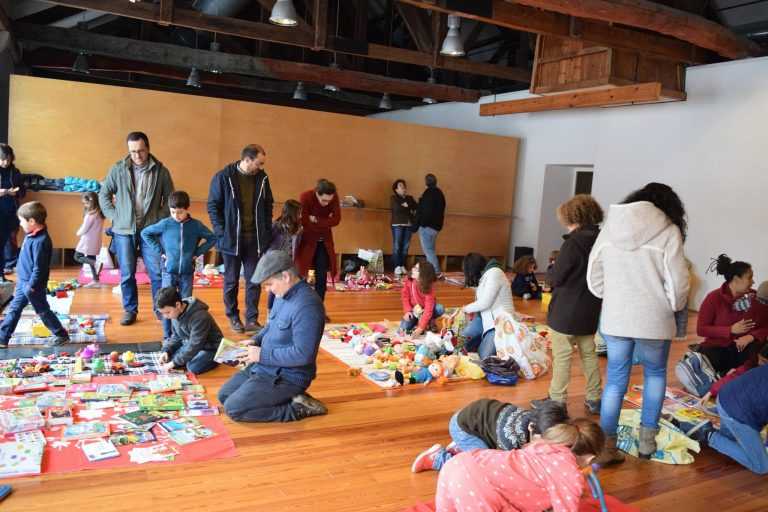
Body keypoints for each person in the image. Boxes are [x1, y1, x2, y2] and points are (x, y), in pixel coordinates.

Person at [587, 182, 690, 463]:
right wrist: (672, 306)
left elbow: (593, 277)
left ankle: (606, 446)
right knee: (655, 375)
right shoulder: (668, 232)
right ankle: (646, 445)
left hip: (616, 318)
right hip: (655, 321)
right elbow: (679, 282)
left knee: (615, 381)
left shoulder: (610, 228)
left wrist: (612, 297)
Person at [217, 250, 328, 422]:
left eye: (269, 284)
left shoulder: (308, 306)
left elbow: (304, 354)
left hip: (287, 376)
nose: (267, 290)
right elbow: (271, 326)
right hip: (265, 365)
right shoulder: (282, 294)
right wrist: (256, 340)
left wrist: (261, 354)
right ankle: (287, 397)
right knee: (224, 396)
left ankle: (297, 409)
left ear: (285, 277)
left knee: (234, 410)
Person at [435, 418, 605, 512]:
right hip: (475, 485)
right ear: (589, 458)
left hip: (459, 463)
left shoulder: (540, 446)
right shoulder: (569, 473)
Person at [533, 195, 604, 416]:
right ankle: (594, 398)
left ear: (573, 217)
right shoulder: (603, 241)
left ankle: (557, 401)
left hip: (566, 310)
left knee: (562, 356)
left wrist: (551, 273)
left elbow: (557, 276)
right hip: (591, 307)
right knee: (589, 354)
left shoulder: (572, 243)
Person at [99, 132, 174, 326]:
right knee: (126, 273)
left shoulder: (161, 171)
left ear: (148, 148)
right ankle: (130, 310)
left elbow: (171, 200)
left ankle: (160, 309)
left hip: (151, 231)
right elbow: (104, 195)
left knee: (156, 273)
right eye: (132, 152)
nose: (137, 156)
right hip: (124, 231)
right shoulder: (118, 169)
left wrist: (158, 218)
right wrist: (116, 217)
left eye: (141, 151)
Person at [207, 144, 274, 334]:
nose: (261, 167)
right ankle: (233, 317)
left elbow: (268, 205)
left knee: (254, 280)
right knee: (231, 281)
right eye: (258, 163)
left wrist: (266, 231)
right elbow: (213, 206)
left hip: (255, 240)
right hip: (231, 240)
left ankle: (251, 319)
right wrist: (221, 232)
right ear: (247, 160)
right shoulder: (223, 177)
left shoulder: (262, 178)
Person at [411, 399, 568, 473]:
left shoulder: (534, 418)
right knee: (481, 468)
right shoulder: (511, 440)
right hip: (463, 428)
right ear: (531, 427)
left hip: (475, 420)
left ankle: (463, 448)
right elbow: (503, 469)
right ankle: (438, 458)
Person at [142, 190, 216, 340]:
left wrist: (197, 252)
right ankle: (167, 336)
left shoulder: (196, 225)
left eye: (180, 212)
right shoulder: (166, 224)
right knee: (166, 304)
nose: (176, 215)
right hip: (169, 271)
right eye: (173, 212)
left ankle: (182, 336)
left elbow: (212, 238)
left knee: (184, 304)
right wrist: (160, 251)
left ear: (187, 209)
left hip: (187, 272)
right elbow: (145, 233)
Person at [0, 202, 69, 348]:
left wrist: (31, 286)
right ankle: (2, 338)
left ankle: (61, 334)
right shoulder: (30, 235)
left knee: (42, 310)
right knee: (14, 309)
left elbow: (40, 268)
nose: (20, 223)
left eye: (21, 221)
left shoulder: (41, 241)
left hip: (32, 285)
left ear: (32, 221)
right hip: (23, 282)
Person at [696, 352, 768, 475]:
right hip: (736, 412)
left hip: (726, 396)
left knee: (730, 439)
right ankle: (710, 435)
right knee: (762, 466)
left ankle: (714, 432)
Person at [696, 254, 767, 376]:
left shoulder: (756, 297)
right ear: (736, 279)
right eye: (749, 278)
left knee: (759, 354)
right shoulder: (713, 298)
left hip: (744, 348)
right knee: (709, 358)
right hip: (717, 348)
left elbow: (766, 325)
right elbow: (701, 329)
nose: (753, 282)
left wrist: (752, 336)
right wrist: (730, 330)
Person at [156, 287, 223, 375]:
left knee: (193, 367)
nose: (165, 316)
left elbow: (195, 344)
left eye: (167, 312)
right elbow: (176, 336)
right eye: (163, 313)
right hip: (191, 343)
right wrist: (167, 350)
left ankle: (216, 359)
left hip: (211, 348)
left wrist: (174, 363)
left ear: (178, 305)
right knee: (169, 358)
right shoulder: (175, 313)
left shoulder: (200, 317)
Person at [460, 253, 514, 359]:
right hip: (485, 319)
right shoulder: (486, 275)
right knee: (461, 339)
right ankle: (479, 340)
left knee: (484, 356)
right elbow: (481, 298)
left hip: (500, 323)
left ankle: (481, 342)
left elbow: (485, 302)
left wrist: (465, 309)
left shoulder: (495, 273)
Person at [296, 179, 340, 304]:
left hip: (324, 242)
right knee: (301, 274)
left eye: (329, 201)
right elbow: (304, 221)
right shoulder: (305, 197)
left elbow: (337, 219)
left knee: (321, 277)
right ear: (316, 193)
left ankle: (319, 308)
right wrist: (325, 222)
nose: (326, 203)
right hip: (307, 241)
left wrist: (316, 220)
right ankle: (300, 307)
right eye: (323, 200)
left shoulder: (333, 197)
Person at [263, 199, 302, 311]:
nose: (300, 215)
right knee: (275, 286)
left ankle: (281, 309)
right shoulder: (276, 226)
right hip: (275, 261)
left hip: (288, 262)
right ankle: (270, 310)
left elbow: (295, 246)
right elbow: (267, 243)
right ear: (291, 212)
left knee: (286, 286)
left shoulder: (298, 228)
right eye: (298, 212)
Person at [0, 144, 25, 282]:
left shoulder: (15, 172)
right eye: (3, 159)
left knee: (9, 239)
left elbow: (22, 192)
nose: (6, 162)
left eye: (8, 159)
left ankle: (6, 268)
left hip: (11, 210)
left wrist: (15, 192)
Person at [400, 261, 444, 336]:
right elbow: (405, 297)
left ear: (423, 275)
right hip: (414, 310)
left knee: (439, 308)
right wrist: (407, 311)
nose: (413, 269)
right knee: (404, 327)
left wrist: (420, 327)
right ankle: (422, 321)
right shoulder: (409, 280)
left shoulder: (429, 287)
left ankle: (429, 321)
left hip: (425, 310)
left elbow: (428, 309)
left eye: (416, 269)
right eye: (414, 267)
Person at [415, 173, 445, 276]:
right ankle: (430, 272)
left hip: (427, 226)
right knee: (430, 250)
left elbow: (425, 211)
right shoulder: (440, 193)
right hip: (436, 227)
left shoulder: (428, 193)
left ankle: (436, 272)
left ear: (426, 182)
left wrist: (421, 223)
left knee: (429, 251)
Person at [74, 192, 105, 287]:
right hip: (95, 240)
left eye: (86, 203)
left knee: (77, 256)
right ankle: (96, 280)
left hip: (87, 240)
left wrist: (77, 233)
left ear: (91, 202)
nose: (85, 205)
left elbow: (84, 228)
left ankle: (96, 263)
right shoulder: (100, 213)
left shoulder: (91, 215)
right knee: (91, 259)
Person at [390, 179, 417, 276]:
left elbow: (416, 207)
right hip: (398, 225)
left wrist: (407, 206)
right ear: (396, 189)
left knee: (405, 247)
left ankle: (402, 265)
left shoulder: (409, 198)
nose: (403, 188)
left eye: (404, 186)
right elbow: (398, 209)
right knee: (397, 246)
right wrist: (407, 207)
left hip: (409, 225)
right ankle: (396, 266)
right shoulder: (393, 198)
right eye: (401, 186)